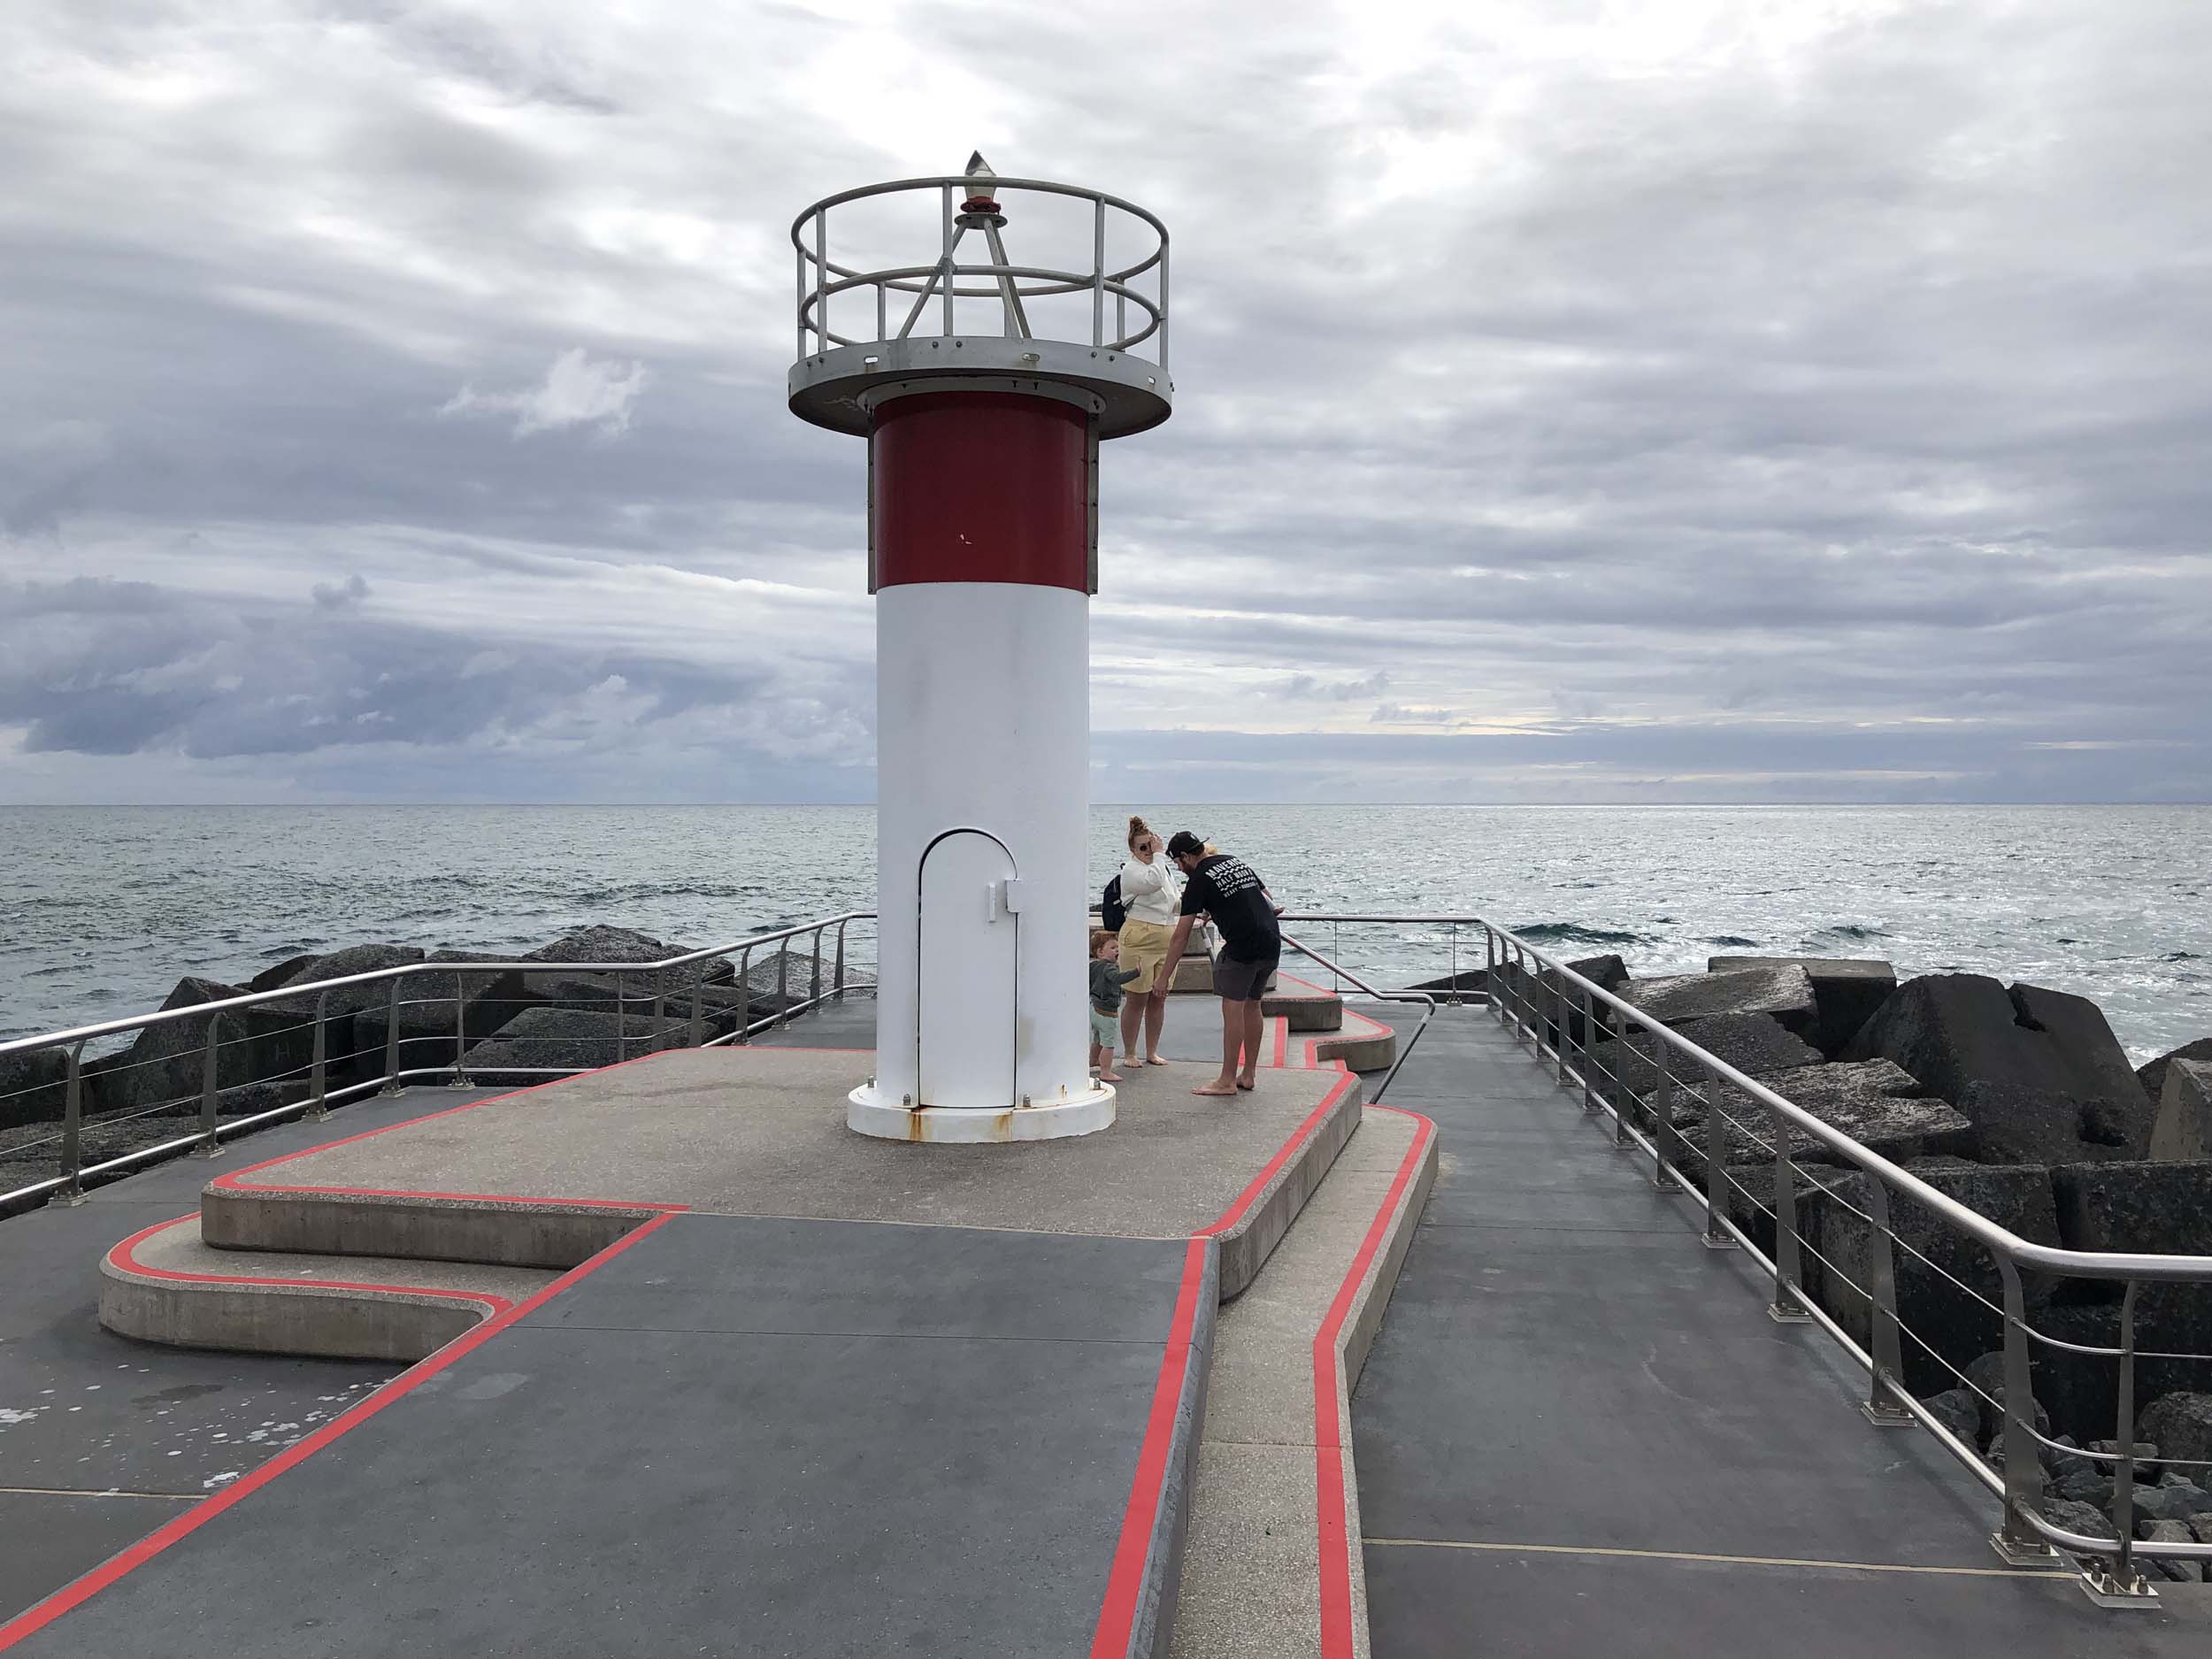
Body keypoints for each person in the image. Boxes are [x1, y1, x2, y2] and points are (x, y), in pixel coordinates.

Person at [1161, 831, 1282, 1097]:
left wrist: (1164, 977)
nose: (1179, 869)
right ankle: (1248, 1074)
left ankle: (1227, 1080)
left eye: (1178, 863)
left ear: (1186, 856)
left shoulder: (1198, 879)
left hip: (1242, 947)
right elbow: (1267, 898)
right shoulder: (1232, 860)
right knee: (1253, 1005)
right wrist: (1214, 909)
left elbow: (1181, 935)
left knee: (1233, 1009)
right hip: (1271, 940)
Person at [1114, 815, 1181, 1066]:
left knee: (1159, 997)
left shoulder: (1161, 869)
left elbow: (1172, 900)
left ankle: (1151, 1051)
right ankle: (1130, 1052)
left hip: (1165, 935)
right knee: (1136, 998)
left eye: (1151, 846)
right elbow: (1152, 884)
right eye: (1143, 847)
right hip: (1140, 936)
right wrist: (1160, 856)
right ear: (1133, 850)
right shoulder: (1132, 870)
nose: (1149, 851)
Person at [1088, 927, 1141, 1084]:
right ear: (1100, 952)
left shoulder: (1093, 966)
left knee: (1098, 1039)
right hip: (1107, 1011)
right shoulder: (1110, 967)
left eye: (1118, 947)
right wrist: (1136, 972)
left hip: (1094, 1007)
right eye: (1112, 948)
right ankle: (1106, 1071)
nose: (1117, 950)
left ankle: (1092, 1061)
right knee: (1109, 1043)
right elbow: (1117, 978)